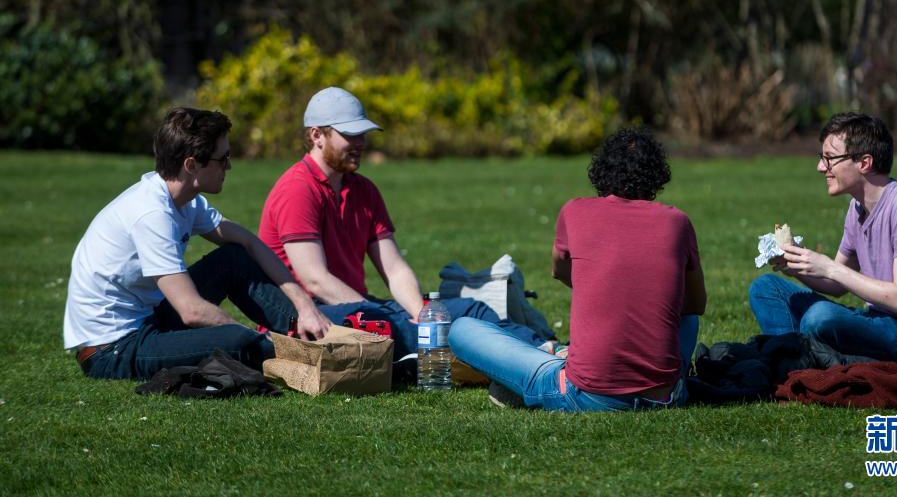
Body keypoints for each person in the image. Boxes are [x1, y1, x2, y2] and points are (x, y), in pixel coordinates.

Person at [257, 87, 549, 357]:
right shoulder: (298, 189)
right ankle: (517, 357)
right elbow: (315, 280)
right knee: (400, 328)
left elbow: (395, 269)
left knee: (472, 310)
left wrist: (421, 312)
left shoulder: (364, 190)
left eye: (363, 134)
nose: (361, 143)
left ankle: (544, 351)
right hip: (309, 317)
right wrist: (383, 314)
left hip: (358, 307)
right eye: (350, 134)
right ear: (317, 135)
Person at [449, 128, 707, 412]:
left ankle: (552, 362)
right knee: (687, 319)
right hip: (665, 397)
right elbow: (695, 306)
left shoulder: (575, 211)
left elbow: (559, 271)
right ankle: (563, 357)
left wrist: (604, 286)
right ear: (656, 176)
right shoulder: (677, 222)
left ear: (601, 171)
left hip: (586, 395)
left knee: (461, 329)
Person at [64, 108, 332, 380]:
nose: (229, 166)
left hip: (150, 319)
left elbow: (249, 243)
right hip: (114, 349)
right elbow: (191, 311)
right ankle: (317, 357)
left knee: (233, 259)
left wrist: (304, 306)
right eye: (223, 158)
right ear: (191, 165)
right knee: (237, 342)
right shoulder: (152, 214)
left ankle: (310, 331)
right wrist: (251, 337)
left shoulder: (185, 201)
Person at [748, 112, 897, 361]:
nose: (820, 167)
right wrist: (796, 265)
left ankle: (803, 359)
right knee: (765, 288)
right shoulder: (857, 208)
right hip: (877, 320)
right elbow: (836, 286)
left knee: (820, 317)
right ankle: (796, 360)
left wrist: (829, 268)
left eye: (829, 158)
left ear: (864, 163)